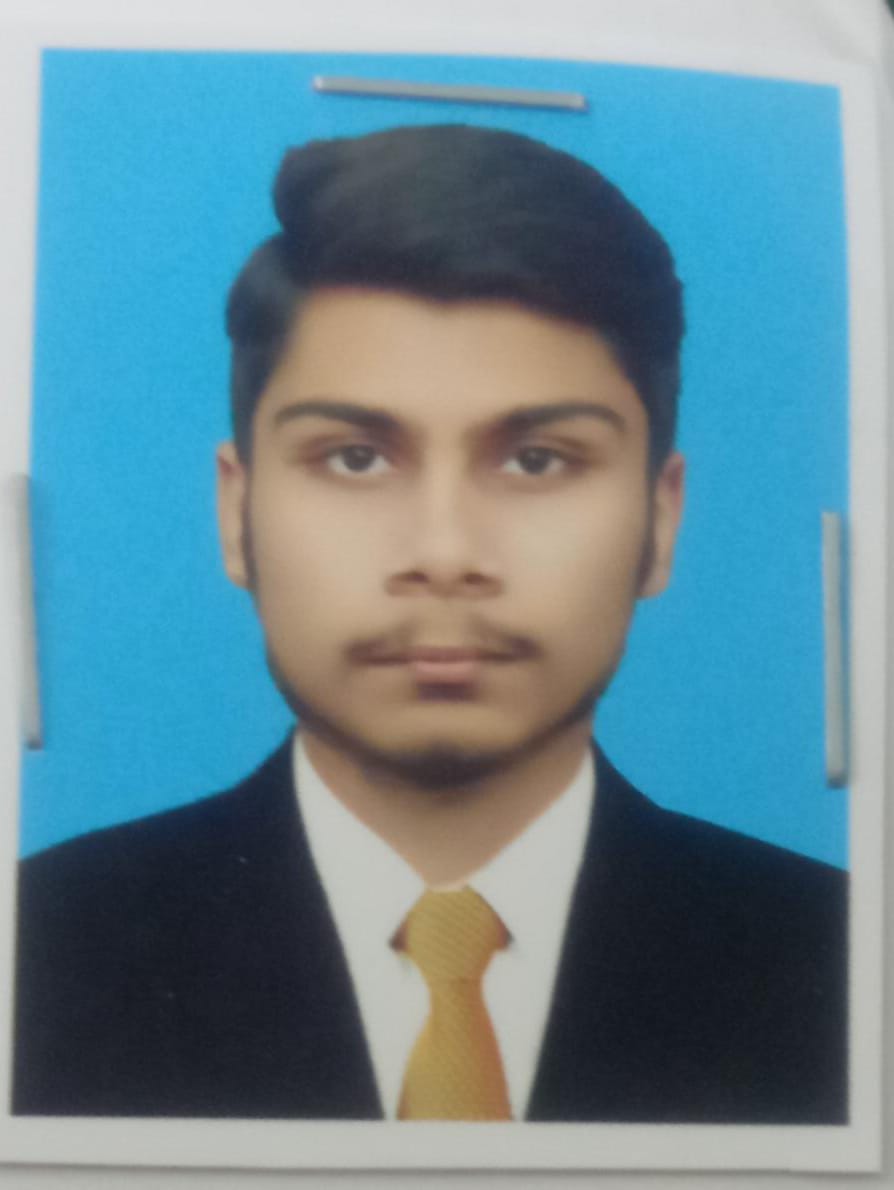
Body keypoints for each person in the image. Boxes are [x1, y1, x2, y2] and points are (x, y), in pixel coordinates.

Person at [13, 124, 847, 1124]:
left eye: (537, 460)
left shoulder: (840, 959)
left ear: (660, 522)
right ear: (236, 514)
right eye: (356, 457)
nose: (445, 552)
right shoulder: (38, 948)